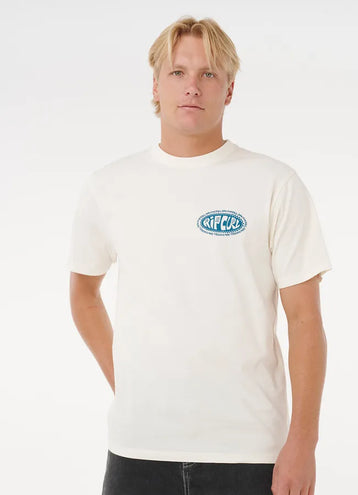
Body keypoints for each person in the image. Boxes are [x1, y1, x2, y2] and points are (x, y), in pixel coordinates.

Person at [67, 15, 333, 495]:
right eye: (178, 72)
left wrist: (304, 442)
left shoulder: (275, 184)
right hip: (138, 450)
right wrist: (126, 382)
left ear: (229, 89)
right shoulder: (109, 186)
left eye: (208, 73)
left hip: (249, 452)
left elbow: (305, 320)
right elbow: (83, 292)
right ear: (156, 85)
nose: (192, 86)